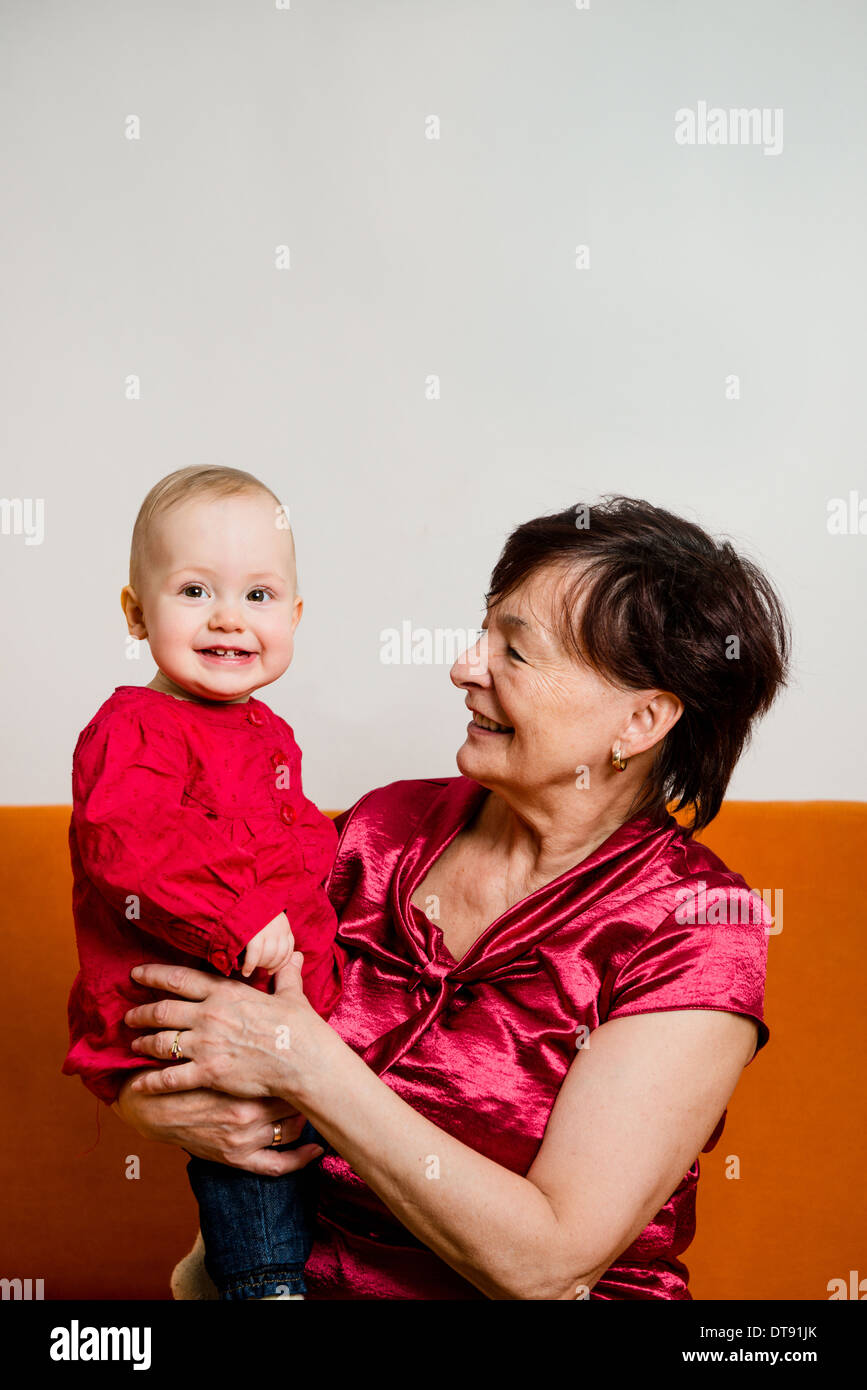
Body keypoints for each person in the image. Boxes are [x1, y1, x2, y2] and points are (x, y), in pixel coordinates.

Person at [115, 496, 790, 1300]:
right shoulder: (379, 828)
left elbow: (547, 1263)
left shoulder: (696, 926)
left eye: (517, 652)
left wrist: (306, 1066)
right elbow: (201, 991)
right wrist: (147, 1106)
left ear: (640, 719)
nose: (465, 666)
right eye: (484, 633)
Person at [62, 465, 343, 1300]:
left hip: (271, 997)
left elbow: (291, 841)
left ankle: (215, 1270)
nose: (228, 618)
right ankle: (259, 1282)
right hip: (177, 1004)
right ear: (135, 612)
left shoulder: (267, 730)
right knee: (251, 1138)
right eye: (194, 590)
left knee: (305, 1136)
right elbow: (131, 849)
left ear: (293, 616)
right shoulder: (134, 727)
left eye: (259, 596)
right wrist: (243, 913)